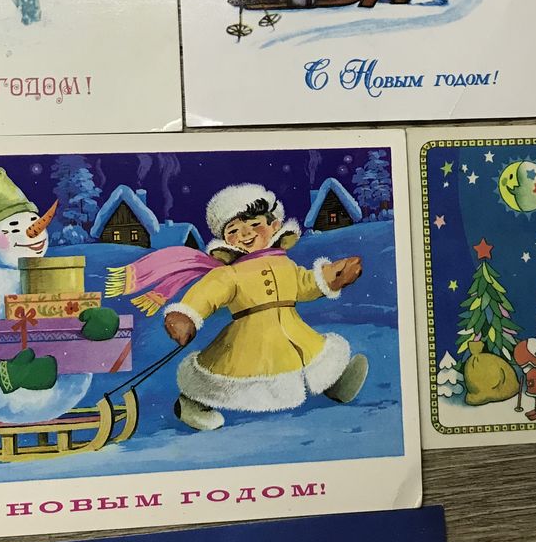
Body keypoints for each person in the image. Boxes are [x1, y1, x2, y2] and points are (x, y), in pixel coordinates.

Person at [105, 182, 368, 431]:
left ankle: (336, 384)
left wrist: (331, 277)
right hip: (248, 337)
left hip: (291, 329)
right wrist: (186, 315)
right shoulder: (230, 273)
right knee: (224, 375)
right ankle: (192, 404)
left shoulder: (285, 263)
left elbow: (304, 284)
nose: (245, 234)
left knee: (315, 355)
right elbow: (208, 293)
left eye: (254, 224)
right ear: (224, 238)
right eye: (233, 230)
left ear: (274, 225)